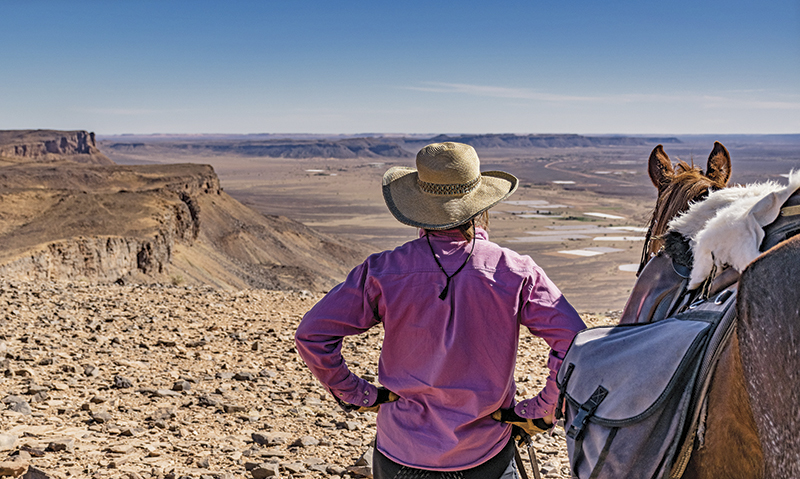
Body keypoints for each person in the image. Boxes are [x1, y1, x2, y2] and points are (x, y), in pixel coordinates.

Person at [295, 142, 586, 478]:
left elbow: (312, 334)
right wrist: (543, 408)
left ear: (418, 204)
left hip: (401, 450)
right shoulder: (515, 270)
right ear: (481, 204)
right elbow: (574, 341)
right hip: (486, 452)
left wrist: (359, 394)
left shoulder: (383, 270)